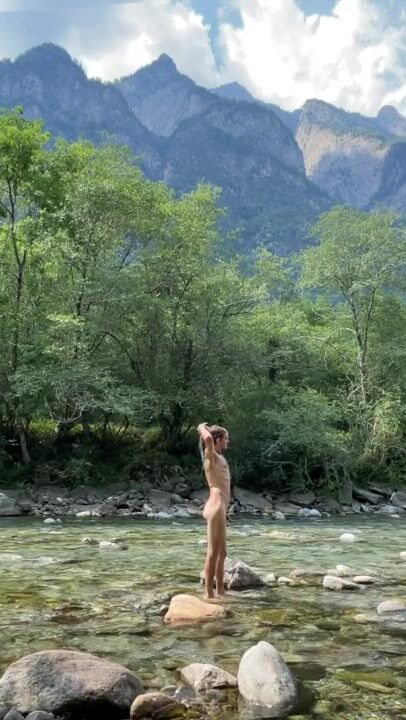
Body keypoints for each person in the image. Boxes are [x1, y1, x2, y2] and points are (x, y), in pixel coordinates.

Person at [197, 422, 230, 601]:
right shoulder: (212, 456)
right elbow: (208, 438)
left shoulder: (219, 457)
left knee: (222, 553)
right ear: (218, 440)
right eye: (226, 439)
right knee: (213, 552)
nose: (228, 442)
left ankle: (221, 591)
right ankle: (208, 594)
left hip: (221, 508)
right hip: (216, 506)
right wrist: (201, 427)